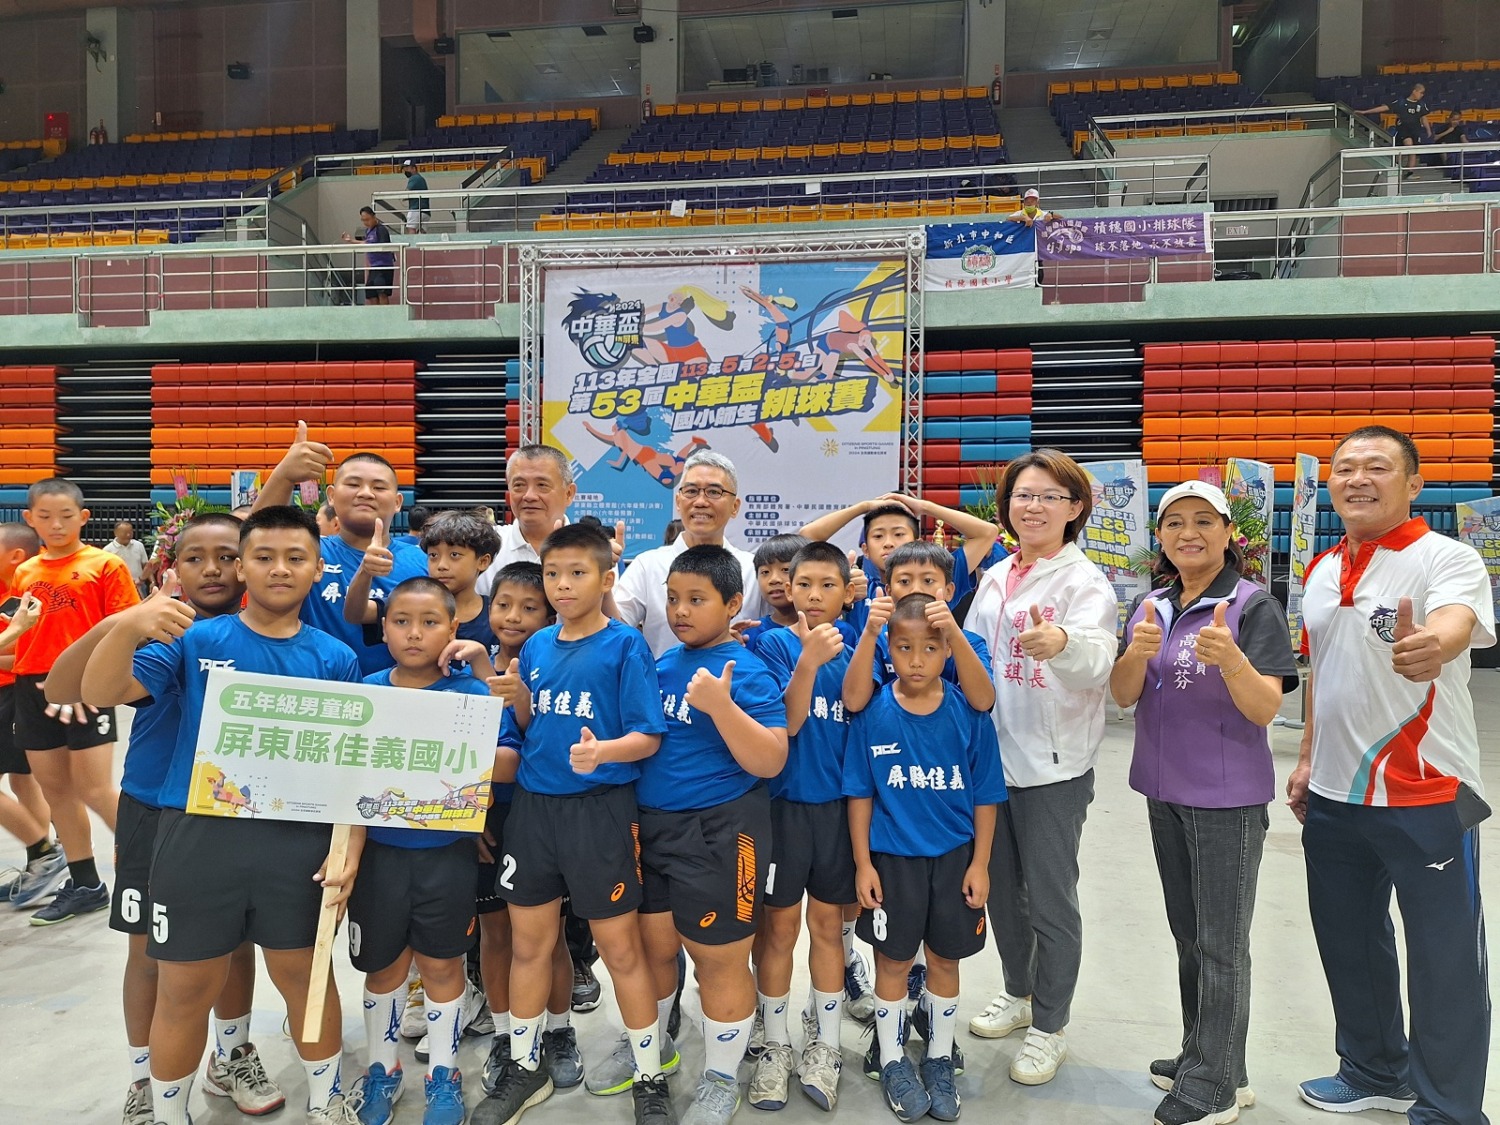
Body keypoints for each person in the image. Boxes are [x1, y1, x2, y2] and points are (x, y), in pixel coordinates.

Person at [80, 505, 365, 1125]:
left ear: (317, 569)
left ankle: (328, 1104)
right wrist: (128, 625)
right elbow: (100, 693)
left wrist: (347, 850)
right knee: (185, 987)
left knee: (306, 978)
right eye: (263, 557)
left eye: (295, 558)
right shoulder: (195, 641)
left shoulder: (336, 657)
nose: (279, 569)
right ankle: (169, 1114)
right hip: (198, 836)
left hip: (297, 842)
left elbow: (350, 768)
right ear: (242, 568)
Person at [47, 513, 286, 1123]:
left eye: (227, 556)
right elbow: (61, 687)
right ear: (171, 568)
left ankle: (231, 1055)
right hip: (154, 809)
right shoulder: (159, 632)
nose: (213, 569)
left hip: (234, 810)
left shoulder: (269, 632)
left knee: (234, 944)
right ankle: (142, 1078)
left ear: (248, 564)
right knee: (149, 952)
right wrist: (124, 622)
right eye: (195, 558)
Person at [1288, 426, 1494, 1124]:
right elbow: (1322, 672)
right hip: (1334, 794)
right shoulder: (1320, 569)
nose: (1358, 478)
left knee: (1444, 958)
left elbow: (1456, 621)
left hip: (1427, 792)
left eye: (1377, 466)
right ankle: (1375, 1070)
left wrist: (1434, 644)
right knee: (1348, 940)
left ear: (1414, 484)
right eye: (1345, 467)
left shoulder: (1447, 557)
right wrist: (1308, 756)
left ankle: (1448, 1109)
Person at [1110, 480, 1298, 1125]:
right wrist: (1135, 653)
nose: (1187, 533)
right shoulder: (1152, 605)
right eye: (1174, 523)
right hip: (1163, 790)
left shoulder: (1252, 606)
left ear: (1227, 534)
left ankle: (1215, 1087)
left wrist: (1233, 662)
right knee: (1189, 936)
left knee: (1222, 944)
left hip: (1225, 800)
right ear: (1160, 537)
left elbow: (1266, 708)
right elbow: (1124, 695)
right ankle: (1208, 1057)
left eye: (1203, 521)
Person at [476, 523, 671, 1125]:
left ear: (606, 578)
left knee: (621, 950)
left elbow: (649, 736)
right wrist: (516, 697)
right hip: (535, 812)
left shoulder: (625, 646)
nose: (562, 585)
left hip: (600, 812)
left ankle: (649, 1075)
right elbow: (532, 727)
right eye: (553, 574)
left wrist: (603, 752)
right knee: (530, 946)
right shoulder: (536, 646)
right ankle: (525, 1065)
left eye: (577, 573)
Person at [963, 450, 1119, 1085]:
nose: (1033, 507)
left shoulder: (1084, 582)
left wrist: (1063, 643)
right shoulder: (997, 575)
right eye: (1023, 496)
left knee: (1051, 900)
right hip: (990, 760)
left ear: (1075, 508)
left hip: (1053, 765)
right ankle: (1018, 991)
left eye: (1050, 496)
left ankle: (1050, 1025)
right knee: (1001, 890)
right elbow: (972, 655)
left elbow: (1097, 658)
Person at [633, 545, 788, 1125]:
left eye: (696, 599)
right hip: (652, 828)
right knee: (654, 951)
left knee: (718, 960)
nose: (680, 610)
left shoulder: (745, 670)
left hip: (721, 832)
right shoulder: (661, 663)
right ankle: (654, 1048)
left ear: (731, 604)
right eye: (673, 598)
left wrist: (722, 707)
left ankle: (721, 1077)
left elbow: (771, 759)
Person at [844, 592, 1006, 1123]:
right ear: (888, 649)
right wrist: (864, 863)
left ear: (948, 651)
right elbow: (860, 794)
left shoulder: (968, 714)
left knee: (944, 960)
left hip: (955, 859)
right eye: (905, 647)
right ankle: (892, 1059)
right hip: (893, 861)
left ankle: (938, 1058)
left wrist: (980, 863)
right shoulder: (873, 713)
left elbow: (986, 795)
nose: (916, 660)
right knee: (892, 962)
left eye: (930, 648)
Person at [349, 576, 495, 1125]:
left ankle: (444, 1075)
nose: (414, 633)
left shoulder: (471, 695)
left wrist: (475, 801)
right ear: (384, 628)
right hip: (378, 855)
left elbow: (498, 764)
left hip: (446, 854)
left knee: (441, 963)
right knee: (384, 966)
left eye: (430, 622)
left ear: (453, 628)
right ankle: (381, 1070)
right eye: (402, 621)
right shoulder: (365, 691)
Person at [752, 542, 860, 1111]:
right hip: (783, 808)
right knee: (778, 929)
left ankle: (827, 1044)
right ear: (789, 589)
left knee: (827, 927)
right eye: (804, 584)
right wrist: (807, 661)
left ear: (847, 592)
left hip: (838, 812)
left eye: (827, 585)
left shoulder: (859, 649)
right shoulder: (771, 644)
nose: (814, 595)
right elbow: (788, 723)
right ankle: (774, 1043)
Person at [472, 562, 585, 1100]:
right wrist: (467, 816)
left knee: (549, 938)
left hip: (542, 818)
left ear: (550, 614)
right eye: (503, 605)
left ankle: (559, 1032)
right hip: (485, 821)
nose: (514, 617)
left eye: (529, 607)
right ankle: (506, 1036)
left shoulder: (556, 671)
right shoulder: (466, 670)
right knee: (496, 934)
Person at [8, 477, 140, 925]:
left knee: (95, 788)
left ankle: (153, 863)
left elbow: (125, 629)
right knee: (56, 789)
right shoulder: (25, 572)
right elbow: (20, 633)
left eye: (66, 516)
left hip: (87, 686)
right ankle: (86, 884)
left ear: (83, 517)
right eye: (45, 517)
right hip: (31, 687)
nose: (56, 525)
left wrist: (89, 681)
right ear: (29, 519)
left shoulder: (105, 565)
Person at [254, 424, 429, 674]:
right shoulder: (310, 551)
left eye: (379, 487)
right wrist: (283, 476)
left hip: (395, 691)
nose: (366, 493)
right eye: (354, 484)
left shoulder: (424, 560)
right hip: (315, 685)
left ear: (398, 502)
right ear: (332, 496)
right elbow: (257, 541)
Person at [612, 450, 767, 657]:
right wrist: (600, 574)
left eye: (714, 492)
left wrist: (722, 641)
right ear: (678, 502)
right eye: (691, 491)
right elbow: (615, 630)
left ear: (735, 506)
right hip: (662, 678)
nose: (700, 501)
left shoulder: (754, 569)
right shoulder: (648, 565)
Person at [799, 494, 1000, 635]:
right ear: (865, 550)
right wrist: (863, 507)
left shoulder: (936, 579)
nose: (888, 543)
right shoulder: (856, 586)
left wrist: (925, 507)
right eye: (878, 536)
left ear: (916, 542)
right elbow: (806, 537)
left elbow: (987, 533)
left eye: (898, 534)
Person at [844, 541, 996, 716]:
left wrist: (953, 635)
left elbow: (983, 702)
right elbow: (853, 702)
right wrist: (870, 632)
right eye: (904, 581)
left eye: (928, 580)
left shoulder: (969, 642)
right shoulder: (876, 640)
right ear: (889, 591)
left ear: (949, 590)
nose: (916, 589)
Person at [0, 521, 64, 910]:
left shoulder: (26, 597)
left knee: (25, 780)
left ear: (16, 556)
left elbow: (23, 654)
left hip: (11, 694)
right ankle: (41, 861)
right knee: (23, 780)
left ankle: (44, 853)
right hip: (11, 695)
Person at [346, 509, 500, 668]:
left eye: (454, 555)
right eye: (433, 556)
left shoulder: (498, 615)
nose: (441, 565)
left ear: (483, 561)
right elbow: (355, 614)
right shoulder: (410, 603)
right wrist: (365, 571)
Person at [740, 534, 811, 653]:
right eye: (765, 572)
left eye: (786, 570)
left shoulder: (836, 630)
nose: (774, 579)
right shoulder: (751, 634)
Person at [1359, 84, 1432, 173]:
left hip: (1415, 130)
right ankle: (1398, 165)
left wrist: (1428, 129)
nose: (1422, 95)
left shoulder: (1421, 104)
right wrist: (1365, 112)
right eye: (1421, 92)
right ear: (1414, 91)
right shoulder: (1401, 102)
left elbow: (1423, 117)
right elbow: (1385, 107)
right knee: (1409, 145)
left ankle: (1409, 171)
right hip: (1404, 129)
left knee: (1412, 151)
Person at [341, 206, 396, 305]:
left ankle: (384, 313)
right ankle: (375, 313)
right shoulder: (368, 231)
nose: (366, 223)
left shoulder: (381, 230)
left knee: (382, 293)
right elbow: (366, 243)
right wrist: (351, 241)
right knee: (371, 293)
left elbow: (384, 246)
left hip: (383, 266)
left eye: (367, 219)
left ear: (374, 217)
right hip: (374, 267)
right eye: (363, 220)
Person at [104, 520, 150, 597]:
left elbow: (146, 565)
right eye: (125, 532)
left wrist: (152, 581)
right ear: (116, 533)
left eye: (130, 532)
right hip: (118, 587)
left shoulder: (139, 545)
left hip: (138, 584)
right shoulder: (108, 550)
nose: (128, 535)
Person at [402, 159, 430, 234]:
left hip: (416, 209)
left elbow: (406, 194)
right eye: (404, 169)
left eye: (407, 168)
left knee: (411, 229)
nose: (405, 171)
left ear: (414, 168)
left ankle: (412, 242)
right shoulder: (421, 178)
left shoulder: (414, 178)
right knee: (422, 233)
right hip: (426, 212)